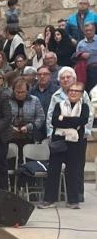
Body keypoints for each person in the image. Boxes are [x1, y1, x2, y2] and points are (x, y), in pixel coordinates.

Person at [39, 82, 91, 210]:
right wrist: (72, 122)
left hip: (76, 143)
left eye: (77, 91)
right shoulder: (59, 105)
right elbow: (55, 121)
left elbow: (83, 120)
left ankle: (73, 200)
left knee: (73, 171)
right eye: (71, 90)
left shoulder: (84, 107)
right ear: (67, 92)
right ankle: (49, 200)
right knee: (53, 171)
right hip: (59, 142)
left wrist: (64, 119)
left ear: (81, 94)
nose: (73, 93)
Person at [8, 78, 44, 146]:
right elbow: (1, 118)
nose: (20, 94)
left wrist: (29, 127)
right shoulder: (7, 100)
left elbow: (41, 118)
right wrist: (10, 127)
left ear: (27, 91)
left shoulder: (35, 100)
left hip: (30, 136)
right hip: (10, 136)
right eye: (17, 92)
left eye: (23, 92)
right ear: (13, 90)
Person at [74, 22, 97, 92]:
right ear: (83, 31)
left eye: (90, 30)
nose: (88, 32)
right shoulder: (80, 44)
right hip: (86, 71)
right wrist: (81, 55)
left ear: (94, 30)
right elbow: (76, 57)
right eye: (86, 30)